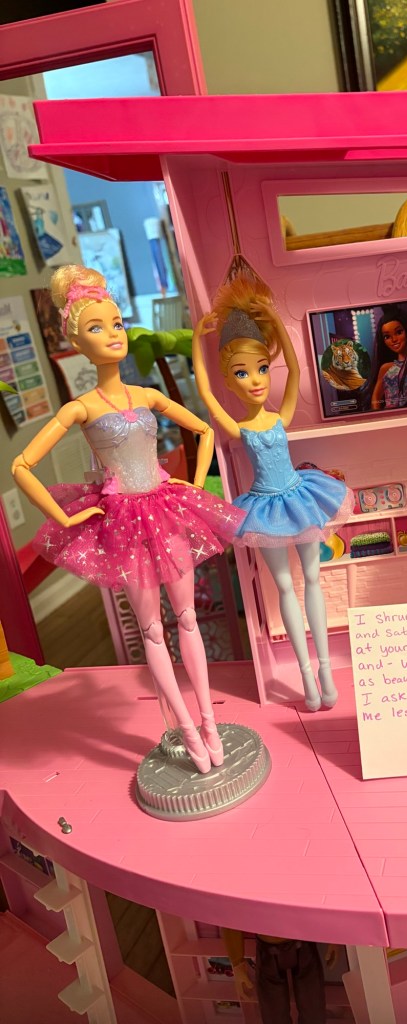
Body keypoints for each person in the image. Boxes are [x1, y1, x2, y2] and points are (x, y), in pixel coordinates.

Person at [11, 265, 242, 773]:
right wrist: (65, 517)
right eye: (97, 327)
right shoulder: (79, 408)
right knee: (152, 628)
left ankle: (209, 720)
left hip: (164, 505)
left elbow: (204, 430)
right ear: (76, 341)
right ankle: (187, 728)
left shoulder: (148, 396)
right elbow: (21, 465)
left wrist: (194, 482)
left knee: (188, 618)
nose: (113, 334)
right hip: (122, 519)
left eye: (116, 323)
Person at [192, 272, 353, 711]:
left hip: (300, 497)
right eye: (242, 373)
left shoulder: (280, 416)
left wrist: (274, 318)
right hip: (263, 507)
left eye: (262, 368)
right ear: (230, 381)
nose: (255, 380)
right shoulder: (240, 426)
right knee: (285, 588)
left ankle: (325, 669)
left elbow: (296, 369)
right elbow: (204, 392)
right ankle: (306, 677)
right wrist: (196, 341)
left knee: (313, 579)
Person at [222, 927, 336, 1024]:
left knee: (313, 1010)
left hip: (301, 943)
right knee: (274, 1014)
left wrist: (335, 938)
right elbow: (231, 914)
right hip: (270, 947)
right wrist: (237, 962)